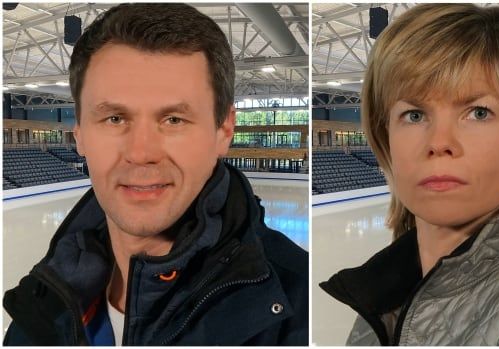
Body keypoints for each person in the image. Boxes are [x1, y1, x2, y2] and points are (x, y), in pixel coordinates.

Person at [3, 3, 308, 346]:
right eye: (115, 118)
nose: (141, 153)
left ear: (224, 130)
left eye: (174, 119)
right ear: (79, 134)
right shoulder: (40, 305)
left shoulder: (299, 313)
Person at [319, 3, 499, 346]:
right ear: (385, 138)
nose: (439, 143)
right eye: (414, 115)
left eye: (478, 112)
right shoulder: (379, 296)